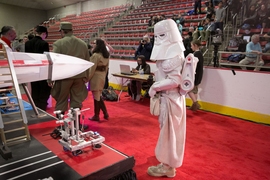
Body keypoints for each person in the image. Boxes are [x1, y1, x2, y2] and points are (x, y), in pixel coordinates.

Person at [147, 19, 197, 178]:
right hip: (168, 99)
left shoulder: (174, 54)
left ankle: (167, 166)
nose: (158, 39)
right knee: (167, 131)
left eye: (161, 35)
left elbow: (175, 80)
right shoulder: (170, 52)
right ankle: (166, 163)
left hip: (171, 99)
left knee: (170, 133)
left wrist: (155, 86)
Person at [51, 22, 90, 129]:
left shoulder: (58, 43)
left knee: (61, 100)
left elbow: (54, 61)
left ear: (62, 31)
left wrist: (51, 78)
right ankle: (76, 125)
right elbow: (87, 60)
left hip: (64, 76)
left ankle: (61, 126)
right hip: (79, 76)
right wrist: (86, 76)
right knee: (76, 101)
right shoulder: (82, 44)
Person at [25, 25, 51, 111]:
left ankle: (35, 107)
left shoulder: (28, 43)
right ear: (44, 33)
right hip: (42, 69)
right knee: (44, 89)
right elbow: (45, 58)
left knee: (35, 88)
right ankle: (42, 107)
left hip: (32, 69)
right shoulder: (44, 43)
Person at [88, 38, 110, 122]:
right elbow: (106, 68)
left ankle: (97, 115)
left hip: (95, 77)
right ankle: (104, 113)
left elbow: (92, 69)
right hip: (102, 76)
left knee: (96, 96)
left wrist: (87, 78)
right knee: (98, 95)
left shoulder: (96, 55)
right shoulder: (106, 55)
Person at [188, 40, 204, 111]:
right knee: (195, 90)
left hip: (195, 75)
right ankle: (194, 105)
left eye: (192, 45)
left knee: (189, 90)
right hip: (199, 74)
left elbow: (193, 66)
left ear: (195, 45)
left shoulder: (196, 54)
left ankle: (195, 103)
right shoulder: (199, 54)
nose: (191, 47)